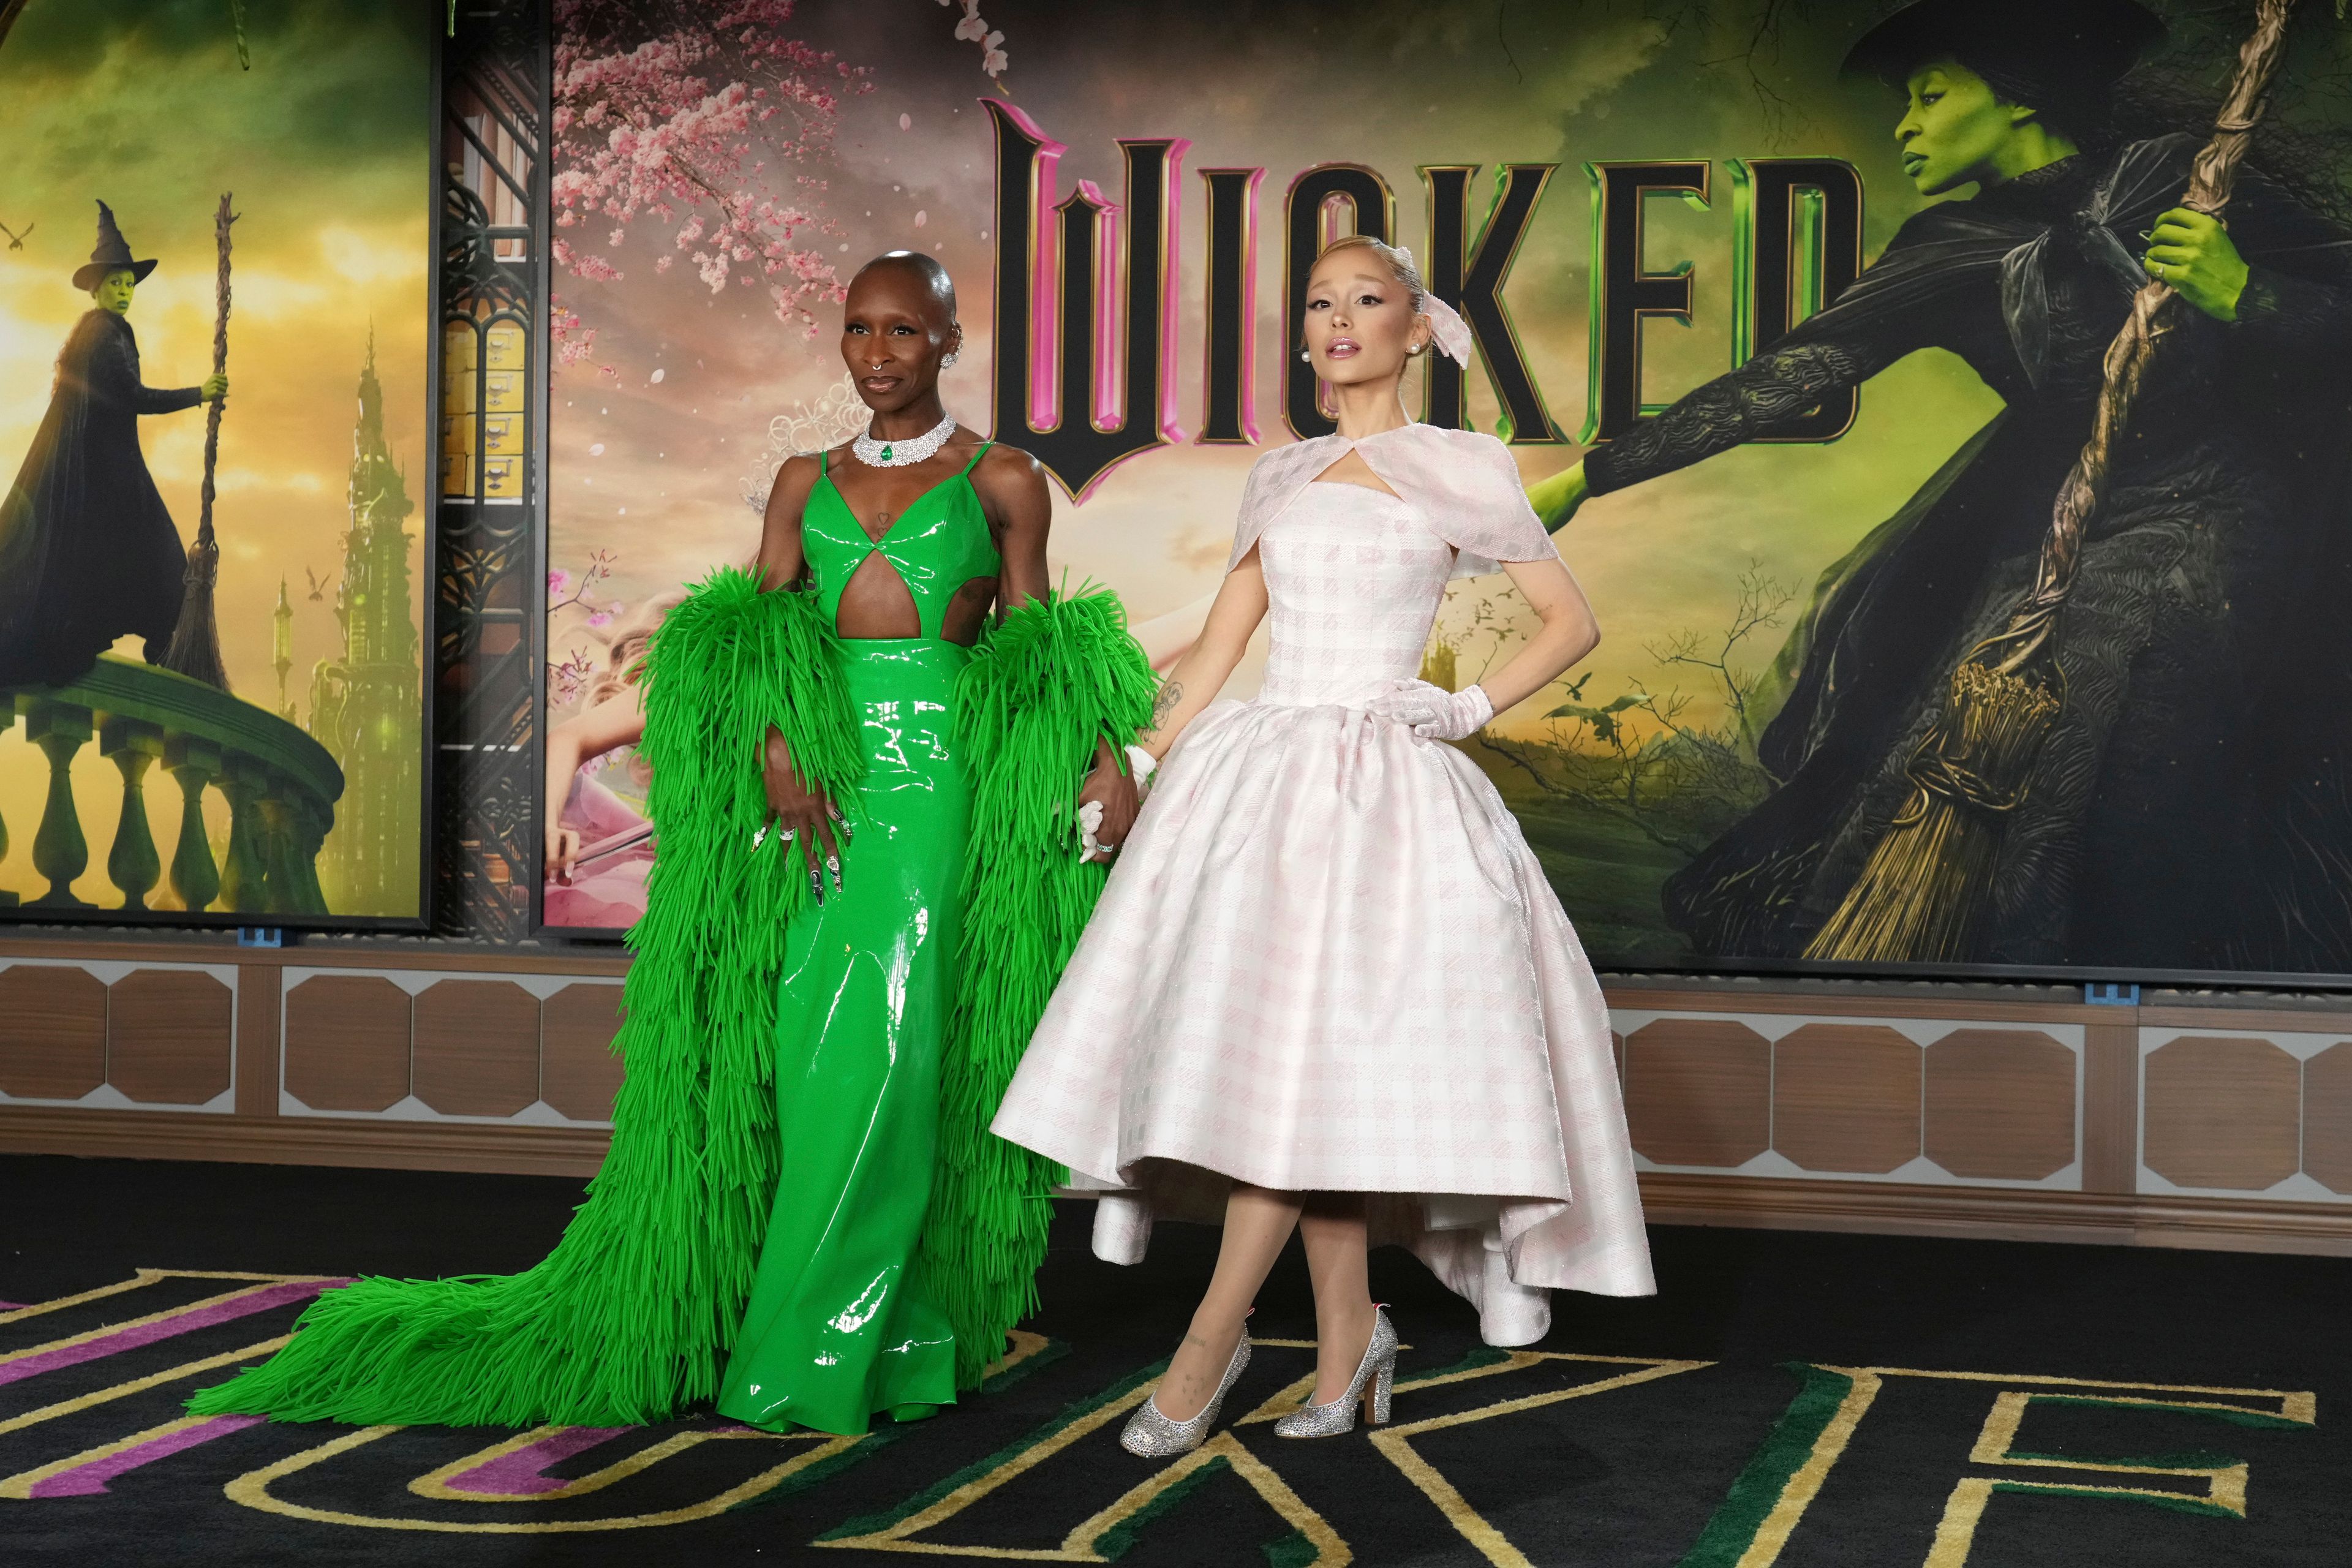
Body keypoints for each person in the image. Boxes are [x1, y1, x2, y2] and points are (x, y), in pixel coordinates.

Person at [194, 252, 1156, 1436]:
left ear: (949, 341)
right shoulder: (805, 479)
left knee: (904, 1061)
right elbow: (755, 633)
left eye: (904, 330)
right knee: (813, 1059)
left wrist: (1104, 749)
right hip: (816, 792)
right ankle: (861, 1335)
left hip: (940, 793)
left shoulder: (1005, 477)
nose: (877, 354)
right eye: (858, 329)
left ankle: (853, 1344)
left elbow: (1040, 641)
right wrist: (776, 741)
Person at [990, 235, 1655, 1457]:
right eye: (1320, 302)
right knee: (1295, 1076)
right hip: (1261, 788)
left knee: (1310, 1074)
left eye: (1368, 299)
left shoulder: (1463, 465)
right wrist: (1141, 756)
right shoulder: (1280, 473)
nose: (1340, 318)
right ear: (1303, 334)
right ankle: (1351, 1339)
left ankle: (1209, 1340)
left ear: (1417, 331)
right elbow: (1222, 643)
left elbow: (1572, 621)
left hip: (1386, 791)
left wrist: (1465, 707)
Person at [1528, 0, 2352, 973]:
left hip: (2216, 521)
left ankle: (2119, 1021)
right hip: (2058, 537)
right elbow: (1788, 378)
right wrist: (1587, 477)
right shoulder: (1947, 246)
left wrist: (2243, 293)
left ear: (2015, 95)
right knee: (1932, 766)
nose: (1906, 125)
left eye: (1929, 94)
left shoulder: (2186, 174)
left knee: (2113, 756)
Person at [0, 201, 227, 690]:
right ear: (96, 289)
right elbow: (132, 397)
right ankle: (168, 653)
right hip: (114, 477)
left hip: (110, 472)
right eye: (115, 285)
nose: (124, 292)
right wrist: (198, 394)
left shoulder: (100, 331)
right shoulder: (103, 334)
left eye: (129, 285)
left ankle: (164, 650)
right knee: (165, 562)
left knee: (146, 561)